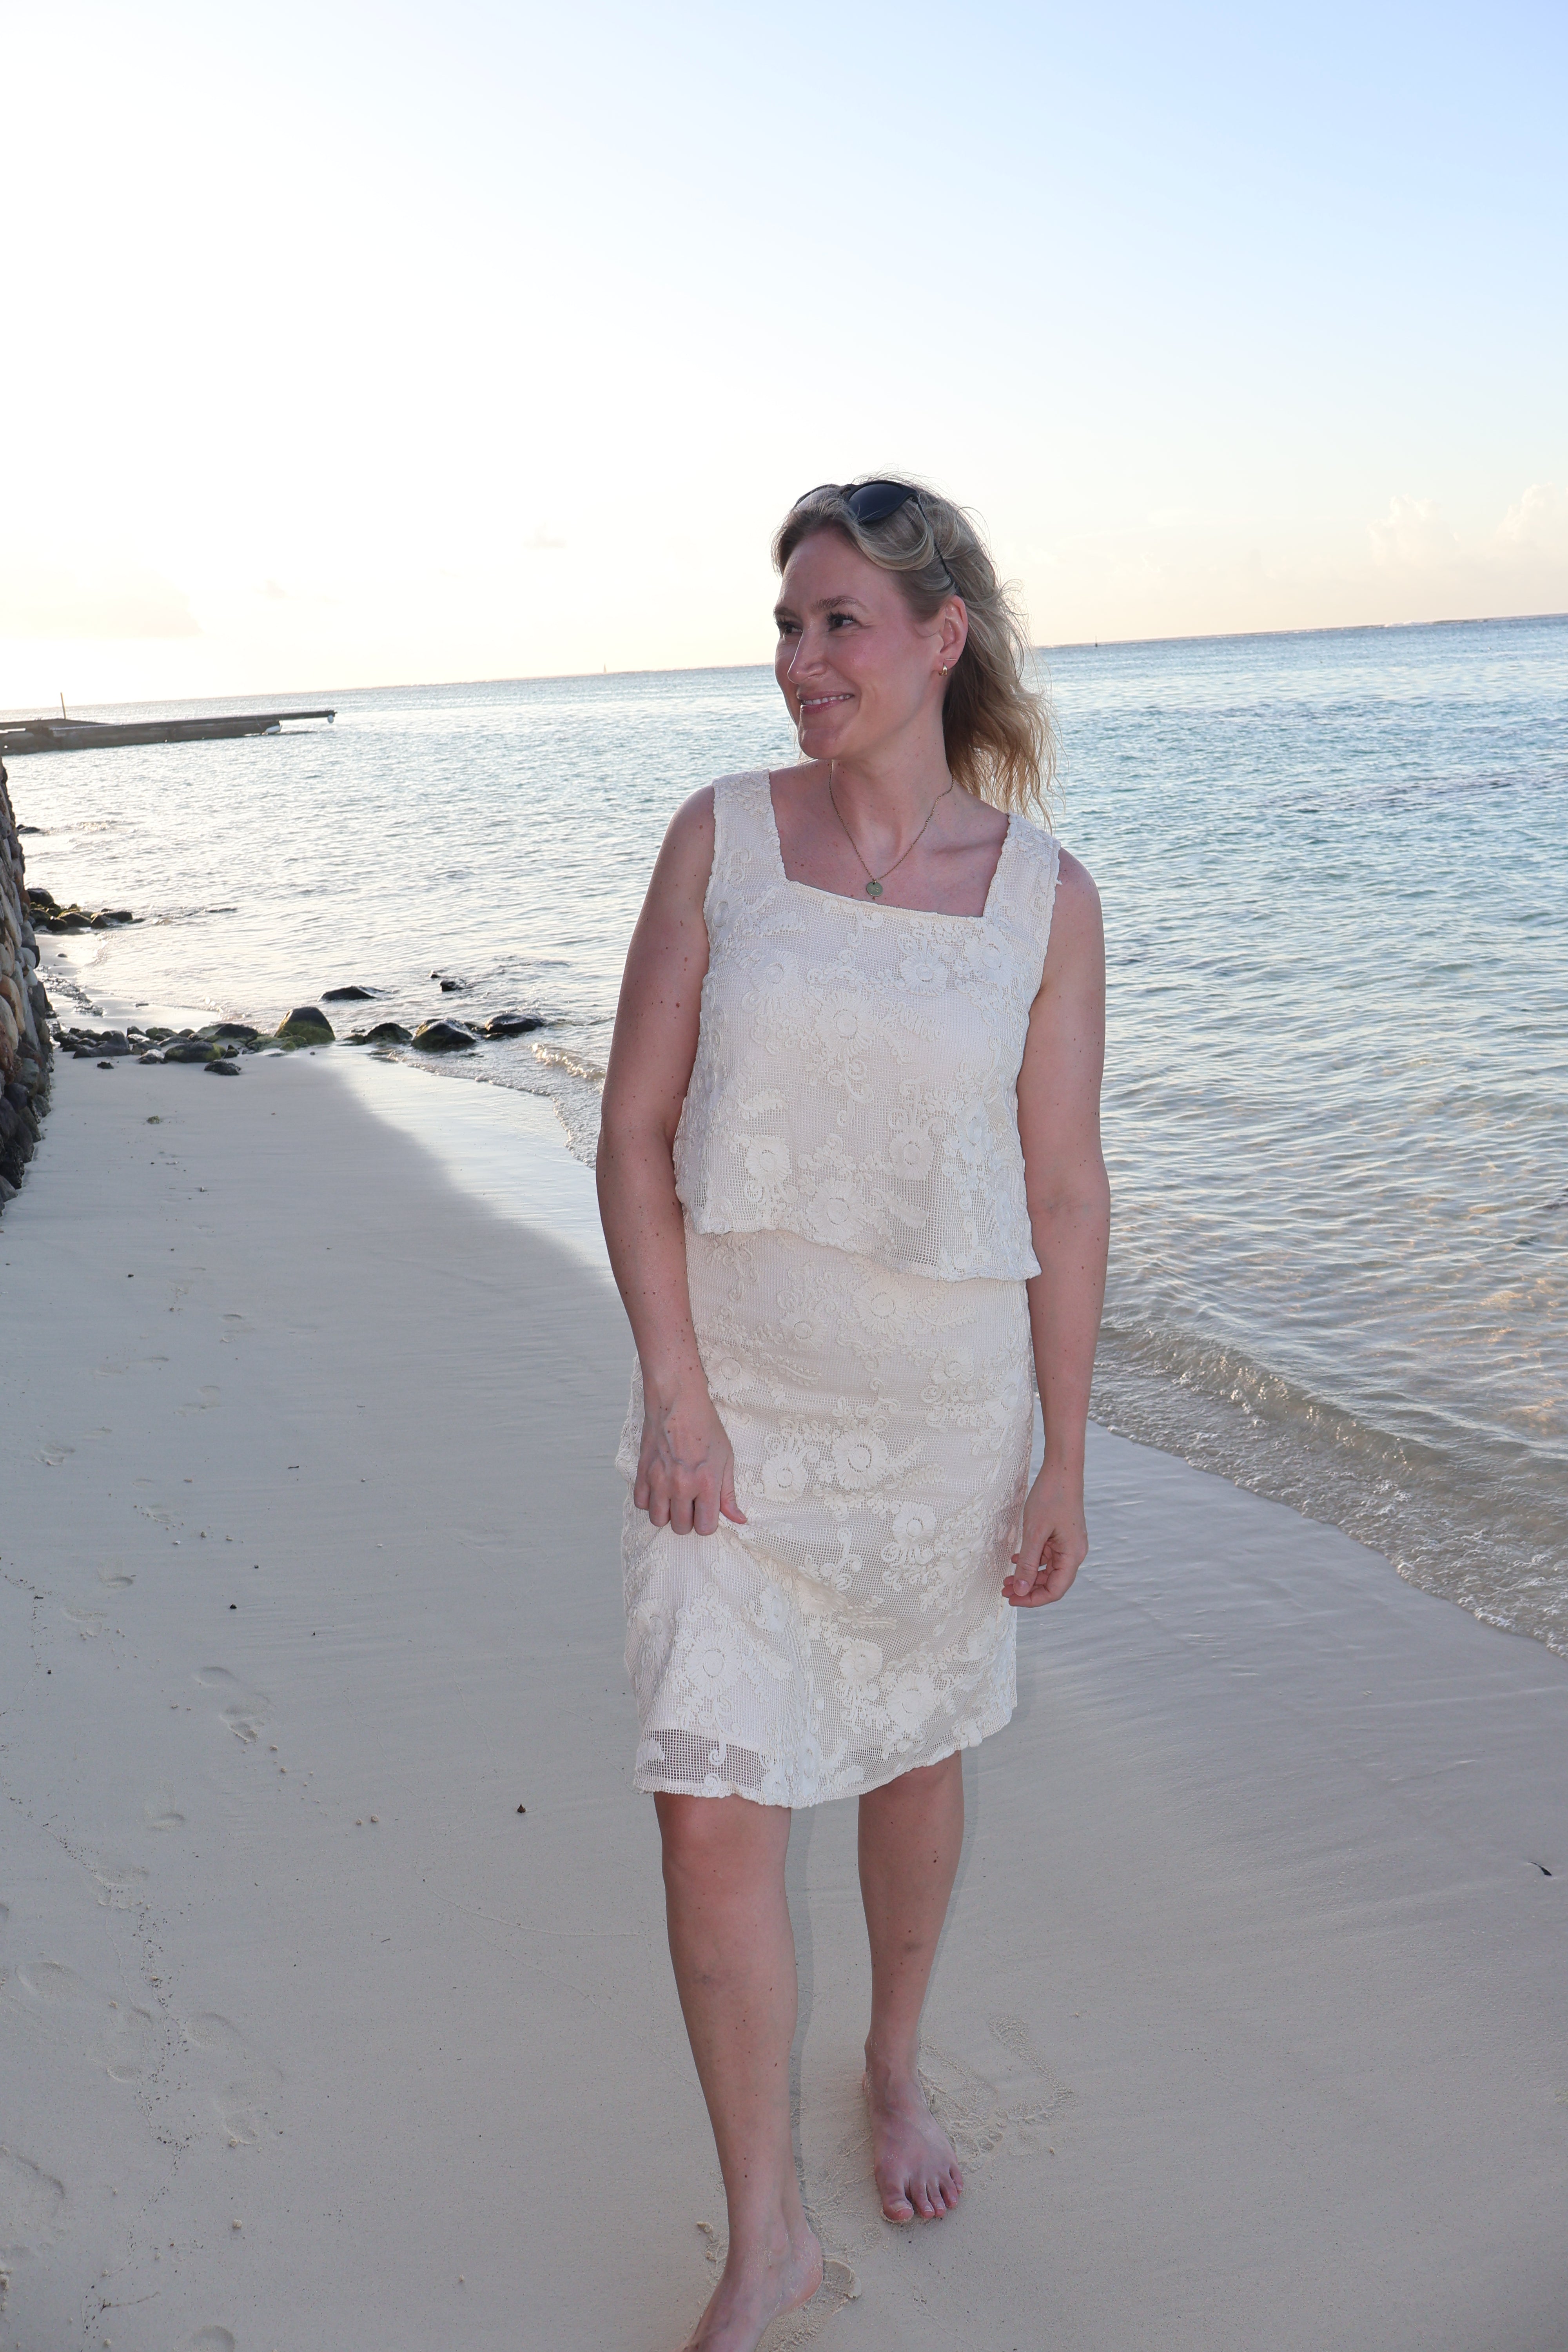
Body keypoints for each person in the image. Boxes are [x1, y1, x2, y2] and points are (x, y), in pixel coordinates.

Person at [597, 479, 1109, 2352]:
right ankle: (766, 2238)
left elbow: (1063, 1190)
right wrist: (677, 1396)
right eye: (787, 626)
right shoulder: (719, 838)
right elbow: (633, 1131)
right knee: (705, 1811)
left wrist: (1062, 1452)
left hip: (938, 1427)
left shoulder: (1046, 899)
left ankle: (892, 2063)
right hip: (730, 1418)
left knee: (912, 1749)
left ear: (939, 636)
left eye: (839, 624)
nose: (801, 660)